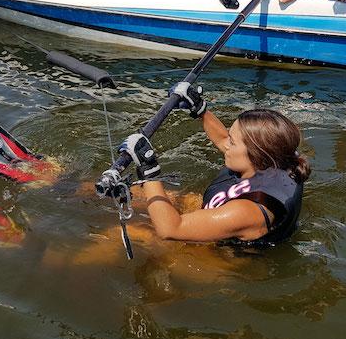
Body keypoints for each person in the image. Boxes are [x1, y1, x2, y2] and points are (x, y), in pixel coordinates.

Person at [120, 83, 311, 244]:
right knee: (126, 194)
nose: (224, 145)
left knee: (125, 234)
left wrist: (149, 170)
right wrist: (200, 109)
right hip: (216, 210)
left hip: (221, 257)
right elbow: (222, 139)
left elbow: (170, 229)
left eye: (232, 142)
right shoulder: (279, 154)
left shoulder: (247, 212)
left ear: (257, 155)